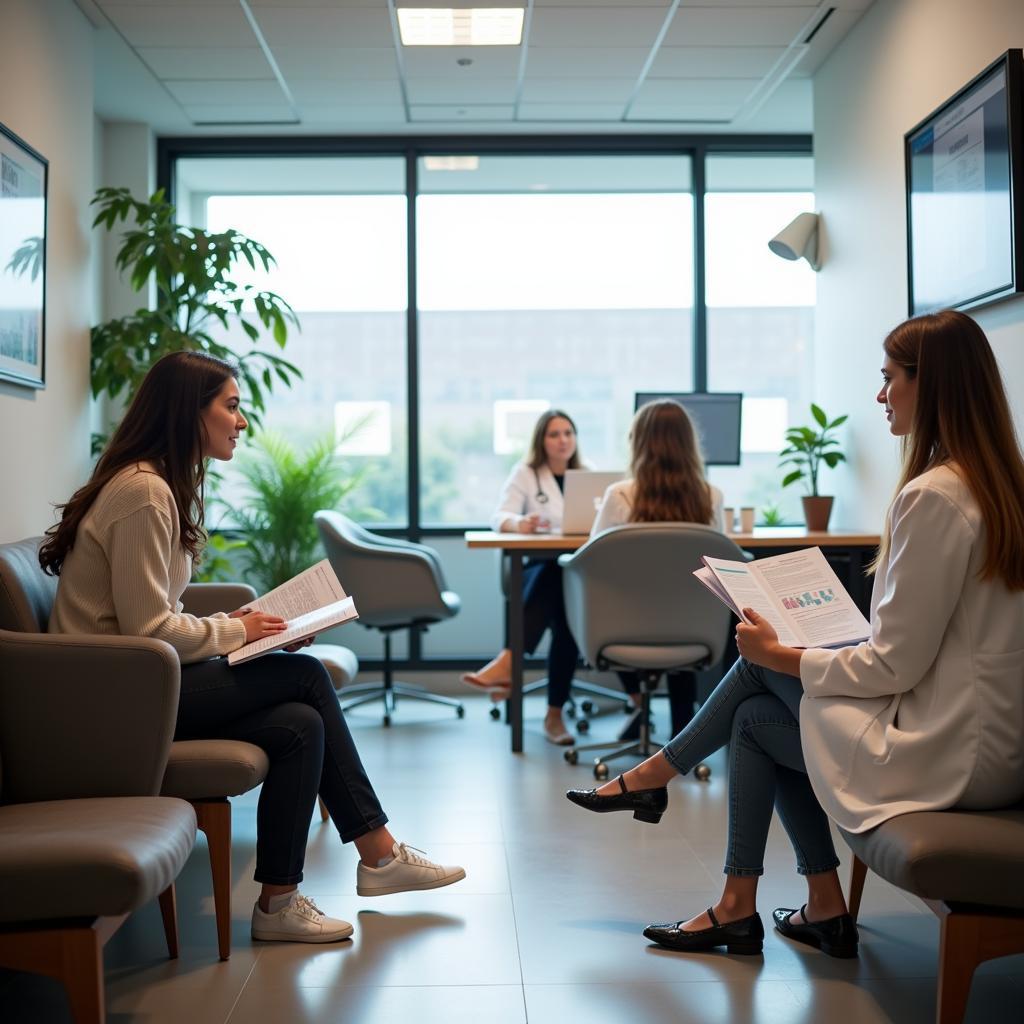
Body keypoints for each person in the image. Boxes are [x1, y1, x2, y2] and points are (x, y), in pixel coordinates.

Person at [567, 310, 1024, 960]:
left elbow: (893, 665)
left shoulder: (934, 498)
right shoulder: (999, 488)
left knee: (758, 669)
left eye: (890, 377)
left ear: (934, 385)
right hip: (990, 746)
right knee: (753, 719)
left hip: (944, 754)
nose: (880, 394)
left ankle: (656, 776)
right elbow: (932, 645)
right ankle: (804, 907)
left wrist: (788, 652)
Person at [42, 351, 466, 946]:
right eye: (232, 406)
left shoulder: (157, 485)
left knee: (298, 725)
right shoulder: (143, 493)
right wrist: (242, 632)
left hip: (138, 681)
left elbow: (150, 617)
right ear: (191, 412)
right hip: (117, 700)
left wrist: (235, 622)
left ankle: (278, 903)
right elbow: (148, 633)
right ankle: (378, 852)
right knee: (307, 677)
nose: (241, 422)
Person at [590, 399, 725, 741]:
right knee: (680, 605)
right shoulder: (711, 497)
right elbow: (721, 565)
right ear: (688, 444)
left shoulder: (620, 495)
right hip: (692, 629)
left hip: (626, 626)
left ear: (638, 442)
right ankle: (685, 733)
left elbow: (592, 562)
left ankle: (641, 709)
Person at [461, 409, 582, 745]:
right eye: (554, 434)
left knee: (564, 591)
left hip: (575, 571)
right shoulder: (526, 473)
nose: (562, 440)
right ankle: (554, 716)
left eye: (568, 433)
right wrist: (520, 524)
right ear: (541, 440)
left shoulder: (587, 476)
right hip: (537, 570)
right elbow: (499, 517)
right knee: (560, 588)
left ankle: (509, 664)